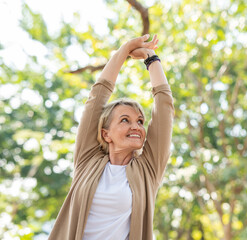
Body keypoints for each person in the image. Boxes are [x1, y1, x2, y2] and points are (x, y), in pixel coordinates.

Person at [48, 34, 174, 240]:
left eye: (140, 121)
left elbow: (164, 107)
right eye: (125, 120)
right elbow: (97, 97)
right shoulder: (87, 160)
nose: (136, 126)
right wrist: (124, 50)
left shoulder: (148, 169)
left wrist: (151, 58)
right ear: (106, 134)